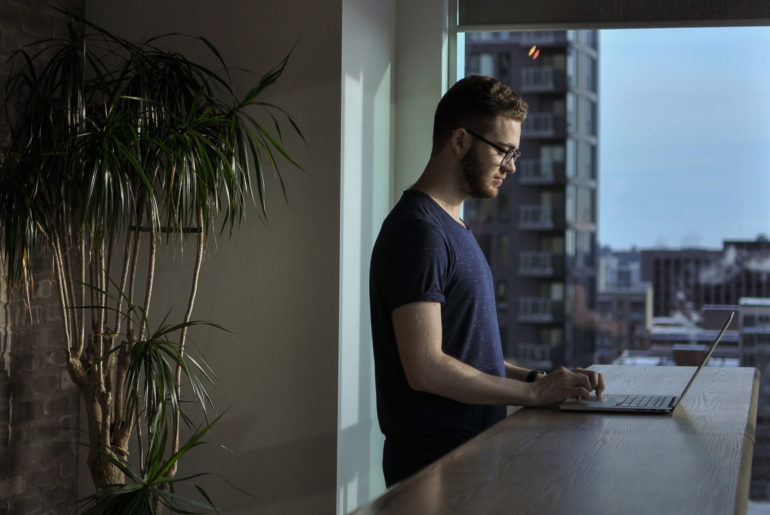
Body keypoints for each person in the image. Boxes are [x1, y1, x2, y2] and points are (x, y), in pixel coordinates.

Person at [369, 75, 605, 487]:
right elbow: (426, 368)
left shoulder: (450, 227)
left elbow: (463, 354)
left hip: (466, 460)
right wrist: (533, 397)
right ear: (460, 140)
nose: (511, 167)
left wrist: (539, 380)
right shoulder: (418, 232)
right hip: (432, 470)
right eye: (504, 151)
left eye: (515, 154)